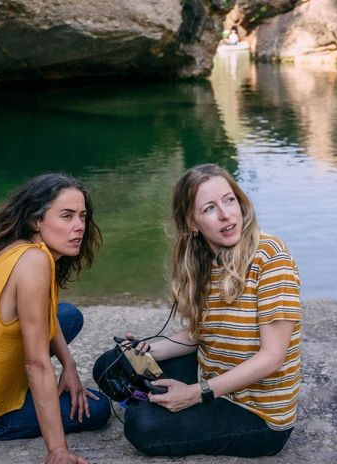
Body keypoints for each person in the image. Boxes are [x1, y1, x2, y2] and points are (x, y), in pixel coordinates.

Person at [93, 163, 301, 457]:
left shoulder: (270, 257)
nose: (226, 214)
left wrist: (194, 394)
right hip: (212, 374)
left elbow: (272, 357)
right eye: (209, 208)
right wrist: (149, 349)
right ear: (193, 223)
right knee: (113, 363)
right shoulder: (204, 261)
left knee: (142, 426)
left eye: (230, 200)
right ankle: (156, 397)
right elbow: (201, 333)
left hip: (257, 413)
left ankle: (155, 403)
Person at [0, 174, 110, 464]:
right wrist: (57, 451)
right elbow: (36, 364)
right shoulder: (35, 262)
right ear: (36, 220)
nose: (79, 227)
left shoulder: (17, 246)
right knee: (98, 408)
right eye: (66, 216)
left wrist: (70, 366)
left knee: (69, 316)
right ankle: (1, 409)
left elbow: (47, 315)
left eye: (82, 216)